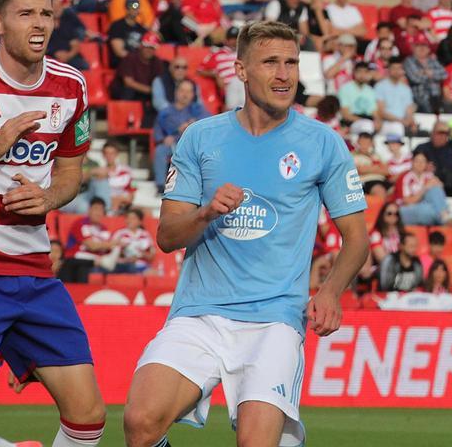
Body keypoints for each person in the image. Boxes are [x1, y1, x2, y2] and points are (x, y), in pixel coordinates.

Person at [122, 22, 369, 447]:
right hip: (199, 313)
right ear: (240, 70)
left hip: (275, 320)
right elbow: (166, 235)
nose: (284, 74)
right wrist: (205, 213)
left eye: (291, 63)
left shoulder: (323, 143)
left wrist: (330, 292)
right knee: (140, 423)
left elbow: (358, 238)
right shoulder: (200, 137)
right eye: (270, 62)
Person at [0, 0, 106, 447]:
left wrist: (49, 196)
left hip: (33, 270)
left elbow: (71, 174)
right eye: (25, 13)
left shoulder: (71, 87)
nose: (39, 24)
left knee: (89, 415)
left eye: (46, 14)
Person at [151, 79, 210, 193]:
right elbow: (157, 133)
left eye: (189, 91)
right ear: (176, 92)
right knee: (160, 150)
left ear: (193, 94)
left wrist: (192, 124)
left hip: (195, 145)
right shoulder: (166, 112)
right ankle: (160, 186)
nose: (185, 94)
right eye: (182, 91)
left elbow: (209, 122)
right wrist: (164, 139)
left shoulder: (198, 110)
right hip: (174, 145)